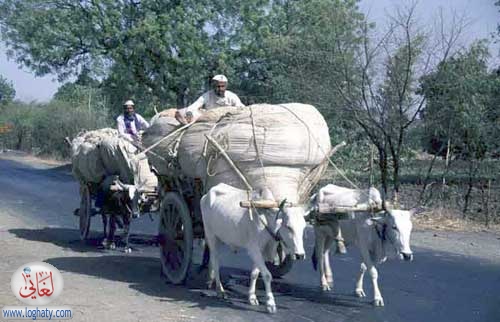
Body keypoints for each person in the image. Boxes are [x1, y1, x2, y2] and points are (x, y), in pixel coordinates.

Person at [176, 74, 244, 123]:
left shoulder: (232, 96)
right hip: (210, 122)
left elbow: (241, 108)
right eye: (217, 86)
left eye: (222, 86)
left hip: (228, 122)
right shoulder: (207, 95)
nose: (220, 89)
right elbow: (195, 105)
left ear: (226, 86)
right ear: (213, 86)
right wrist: (189, 113)